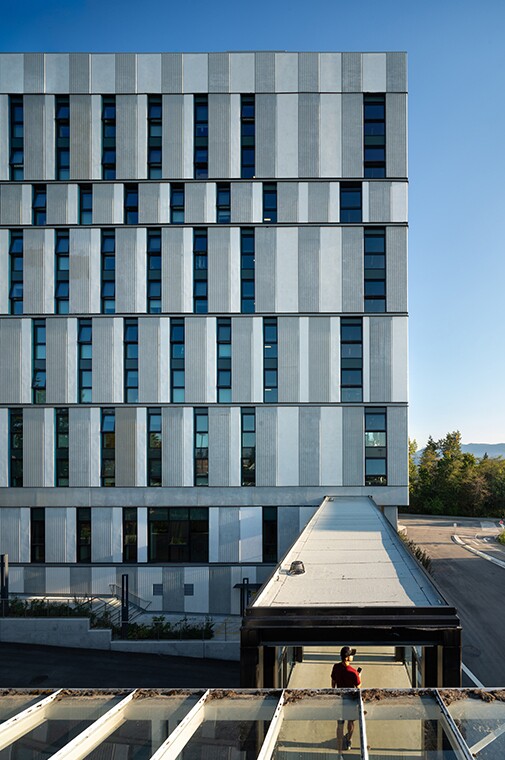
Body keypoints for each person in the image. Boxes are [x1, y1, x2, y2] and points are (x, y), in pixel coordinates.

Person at [331, 646, 362, 757]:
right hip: (351, 700)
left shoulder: (336, 667)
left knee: (340, 724)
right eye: (351, 655)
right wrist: (359, 676)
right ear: (348, 657)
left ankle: (339, 745)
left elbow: (333, 682)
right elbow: (358, 687)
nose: (353, 656)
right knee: (351, 722)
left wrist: (335, 693)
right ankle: (348, 739)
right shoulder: (353, 672)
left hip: (340, 699)